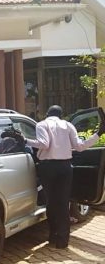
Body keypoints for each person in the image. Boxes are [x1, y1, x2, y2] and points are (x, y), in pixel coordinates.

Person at [15, 105, 104, 249]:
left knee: (50, 202)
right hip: (65, 167)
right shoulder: (68, 125)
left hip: (47, 167)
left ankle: (52, 236)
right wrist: (98, 134)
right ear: (61, 115)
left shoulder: (42, 125)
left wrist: (25, 140)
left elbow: (44, 144)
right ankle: (62, 241)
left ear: (47, 114)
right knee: (63, 203)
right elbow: (80, 146)